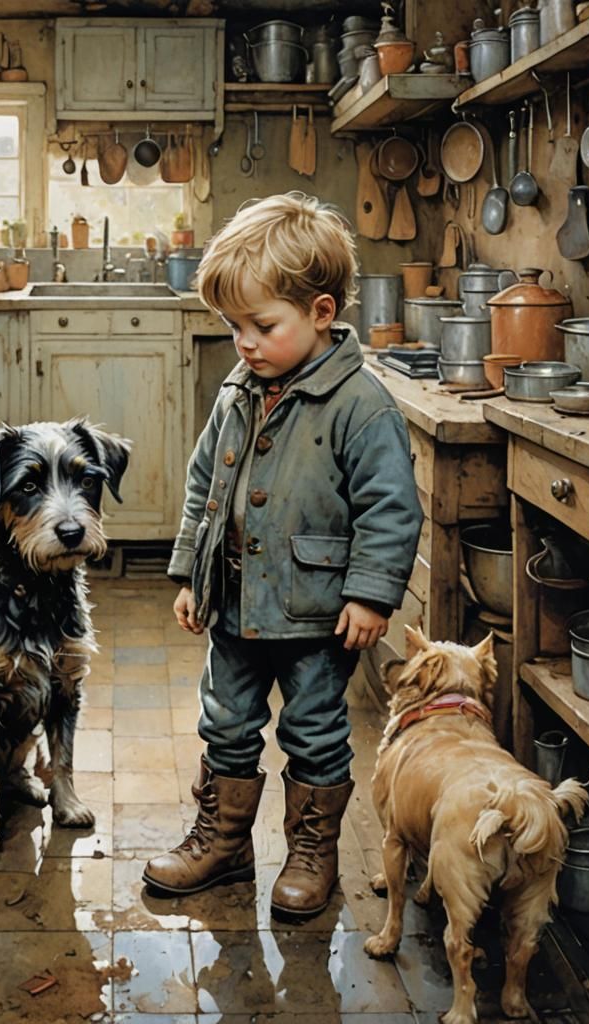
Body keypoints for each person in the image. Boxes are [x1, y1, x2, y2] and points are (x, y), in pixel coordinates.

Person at [143, 192, 423, 918]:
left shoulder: (363, 406)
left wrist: (370, 593)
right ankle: (225, 843)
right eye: (234, 326)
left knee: (314, 728)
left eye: (262, 326)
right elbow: (205, 481)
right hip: (233, 603)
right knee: (226, 722)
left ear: (322, 313)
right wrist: (189, 572)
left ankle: (312, 852)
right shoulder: (238, 388)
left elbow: (391, 508)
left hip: (315, 613)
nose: (244, 341)